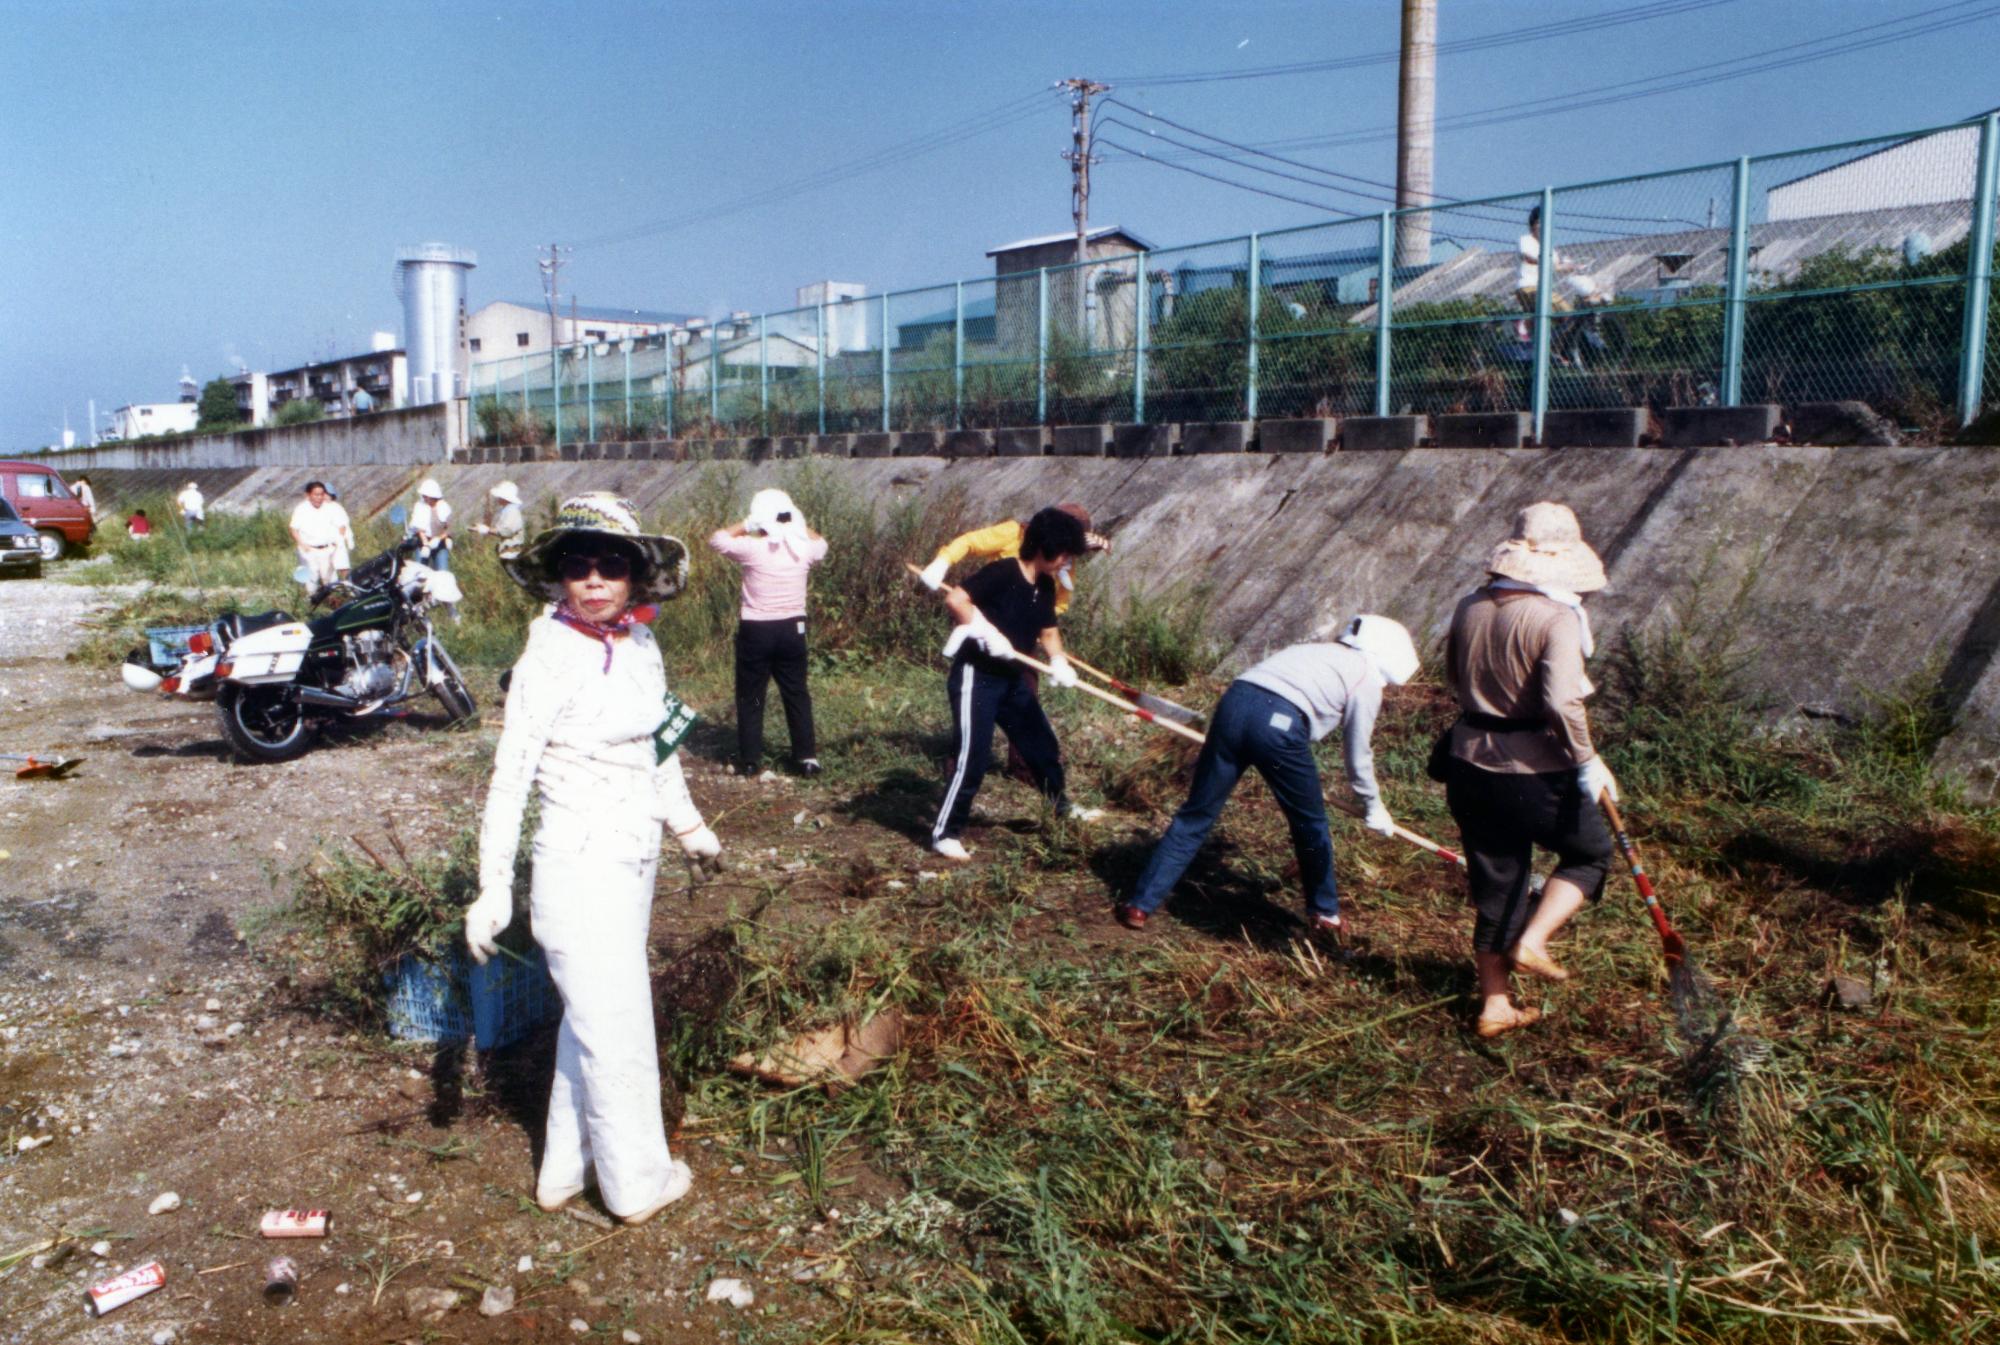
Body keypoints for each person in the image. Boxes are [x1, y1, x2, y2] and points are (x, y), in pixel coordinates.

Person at [464, 492, 718, 1224]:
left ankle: (563, 1170)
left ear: (638, 576)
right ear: (559, 577)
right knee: (621, 1028)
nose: (596, 580)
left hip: (634, 856)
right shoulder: (546, 653)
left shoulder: (642, 646)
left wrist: (690, 826)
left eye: (612, 564)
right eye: (580, 565)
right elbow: (510, 777)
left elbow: (658, 747)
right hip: (576, 867)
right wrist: (492, 887)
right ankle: (637, 1183)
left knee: (591, 1018)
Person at [1114, 616, 1418, 938]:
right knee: (1310, 825)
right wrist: (1373, 804)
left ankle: (1139, 904)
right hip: (1278, 725)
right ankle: (1325, 914)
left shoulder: (1311, 650)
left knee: (1196, 814)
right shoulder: (1366, 677)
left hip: (1233, 705)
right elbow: (1357, 753)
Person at [1442, 502, 1617, 1040]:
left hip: (1468, 762)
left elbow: (1452, 676)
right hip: (1531, 768)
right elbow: (1564, 703)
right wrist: (1587, 760)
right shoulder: (1555, 617)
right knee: (1590, 854)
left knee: (1497, 883)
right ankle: (1532, 940)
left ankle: (1495, 1005)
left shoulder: (1470, 606)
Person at [930, 506, 1097, 864]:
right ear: (1044, 547)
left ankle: (1060, 805)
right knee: (972, 756)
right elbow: (955, 599)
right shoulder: (1002, 573)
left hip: (1012, 678)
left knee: (1041, 744)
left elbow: (1048, 631)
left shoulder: (1046, 586)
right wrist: (985, 631)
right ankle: (946, 832)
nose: (1067, 560)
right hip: (978, 674)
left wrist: (1058, 660)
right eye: (1064, 552)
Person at [709, 488, 828, 777]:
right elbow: (822, 543)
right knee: (796, 692)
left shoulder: (752, 548)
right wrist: (795, 522)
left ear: (761, 520)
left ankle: (751, 759)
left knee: (751, 695)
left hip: (756, 630)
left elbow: (717, 539)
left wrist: (750, 523)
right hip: (792, 630)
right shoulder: (804, 550)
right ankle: (807, 757)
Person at [918, 502, 1110, 616]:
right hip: (986, 617)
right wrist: (942, 563)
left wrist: (1039, 624)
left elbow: (1060, 604)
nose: (1068, 557)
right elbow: (970, 542)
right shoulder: (1012, 533)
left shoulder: (1065, 564)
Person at [288, 481, 353, 592]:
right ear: (308, 495)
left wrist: (338, 542)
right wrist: (302, 544)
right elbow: (293, 529)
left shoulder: (330, 508)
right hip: (309, 550)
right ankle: (312, 601)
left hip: (327, 549)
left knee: (331, 581)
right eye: (316, 495)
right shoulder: (301, 509)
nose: (319, 498)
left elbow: (341, 525)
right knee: (312, 581)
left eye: (321, 494)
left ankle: (334, 601)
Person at [473, 480, 526, 559]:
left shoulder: (512, 511)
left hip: (512, 552)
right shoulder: (508, 511)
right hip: (509, 552)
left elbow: (506, 531)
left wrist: (486, 530)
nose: (498, 498)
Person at [409, 479, 453, 572]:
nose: (424, 498)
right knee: (419, 572)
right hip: (423, 542)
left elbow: (449, 528)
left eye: (426, 496)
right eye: (423, 496)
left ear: (432, 496)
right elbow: (418, 528)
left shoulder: (444, 507)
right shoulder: (420, 506)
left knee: (443, 571)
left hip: (439, 543)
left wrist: (439, 538)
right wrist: (426, 544)